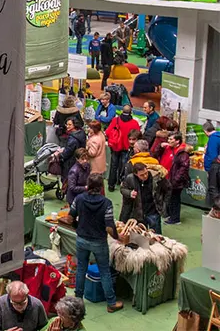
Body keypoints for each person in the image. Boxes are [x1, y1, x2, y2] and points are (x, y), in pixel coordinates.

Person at [69, 173, 123, 313]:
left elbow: (69, 218)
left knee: (81, 268)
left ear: (88, 184)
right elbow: (110, 227)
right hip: (99, 241)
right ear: (101, 187)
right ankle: (111, 303)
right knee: (104, 271)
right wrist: (118, 237)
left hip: (81, 239)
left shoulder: (79, 199)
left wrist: (78, 227)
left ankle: (78, 301)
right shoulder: (106, 203)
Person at [120, 162, 168, 233]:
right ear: (135, 174)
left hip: (153, 211)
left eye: (146, 173)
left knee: (157, 235)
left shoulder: (156, 178)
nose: (145, 176)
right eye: (142, 175)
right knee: (140, 235)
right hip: (138, 212)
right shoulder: (130, 178)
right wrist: (130, 193)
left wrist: (164, 204)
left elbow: (168, 189)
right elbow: (122, 189)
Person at [105, 105, 140, 192]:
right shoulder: (134, 123)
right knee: (125, 166)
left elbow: (108, 132)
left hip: (116, 147)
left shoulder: (115, 120)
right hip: (127, 148)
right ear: (131, 112)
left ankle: (111, 185)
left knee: (113, 166)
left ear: (121, 111)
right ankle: (122, 183)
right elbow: (138, 134)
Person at [160, 132, 190, 225]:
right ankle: (170, 214)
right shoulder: (168, 148)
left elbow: (184, 167)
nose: (168, 141)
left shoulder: (182, 152)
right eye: (168, 139)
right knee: (169, 198)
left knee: (174, 199)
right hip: (167, 177)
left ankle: (175, 218)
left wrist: (176, 179)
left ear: (177, 141)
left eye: (171, 139)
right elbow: (155, 152)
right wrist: (160, 147)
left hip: (175, 180)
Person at [204, 121, 220, 208]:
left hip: (214, 169)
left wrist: (208, 169)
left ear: (205, 131)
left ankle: (215, 209)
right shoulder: (218, 136)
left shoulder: (213, 139)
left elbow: (212, 156)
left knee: (214, 189)